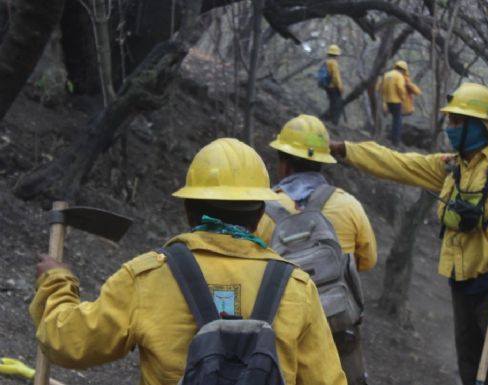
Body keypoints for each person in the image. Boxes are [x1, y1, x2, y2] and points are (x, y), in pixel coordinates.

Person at [29, 138, 347, 385]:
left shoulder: (149, 277)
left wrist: (56, 282)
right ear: (261, 214)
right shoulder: (298, 288)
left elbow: (66, 341)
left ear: (188, 211)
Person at [329, 82, 488, 385]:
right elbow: (398, 163)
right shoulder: (450, 168)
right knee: (470, 369)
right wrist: (346, 150)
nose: (450, 127)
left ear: (479, 127)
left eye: (456, 121)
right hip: (460, 286)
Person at [256, 114, 377, 385]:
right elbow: (367, 261)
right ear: (323, 163)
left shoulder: (262, 210)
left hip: (284, 332)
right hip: (337, 326)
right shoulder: (349, 206)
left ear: (283, 165)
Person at [380, 60, 411, 145]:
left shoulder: (387, 74)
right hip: (396, 101)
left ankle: (384, 137)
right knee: (397, 121)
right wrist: (403, 98)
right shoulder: (399, 76)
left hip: (387, 101)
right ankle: (395, 141)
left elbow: (381, 87)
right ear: (403, 70)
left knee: (389, 119)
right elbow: (400, 88)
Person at [324, 44, 344, 125]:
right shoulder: (334, 63)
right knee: (336, 106)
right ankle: (334, 123)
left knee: (332, 104)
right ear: (336, 54)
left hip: (328, 86)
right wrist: (340, 87)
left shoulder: (327, 62)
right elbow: (336, 76)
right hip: (334, 87)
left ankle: (330, 121)